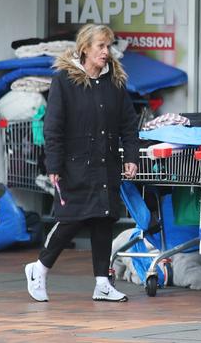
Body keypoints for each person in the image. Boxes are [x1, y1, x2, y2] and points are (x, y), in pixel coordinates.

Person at [25, 24, 139, 303]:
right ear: (85, 48)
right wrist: (53, 166)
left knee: (104, 219)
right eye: (100, 46)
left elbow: (128, 124)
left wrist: (132, 157)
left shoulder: (115, 82)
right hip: (74, 165)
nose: (106, 52)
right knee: (71, 220)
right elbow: (53, 127)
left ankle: (102, 282)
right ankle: (38, 268)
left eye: (108, 46)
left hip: (106, 164)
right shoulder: (64, 81)